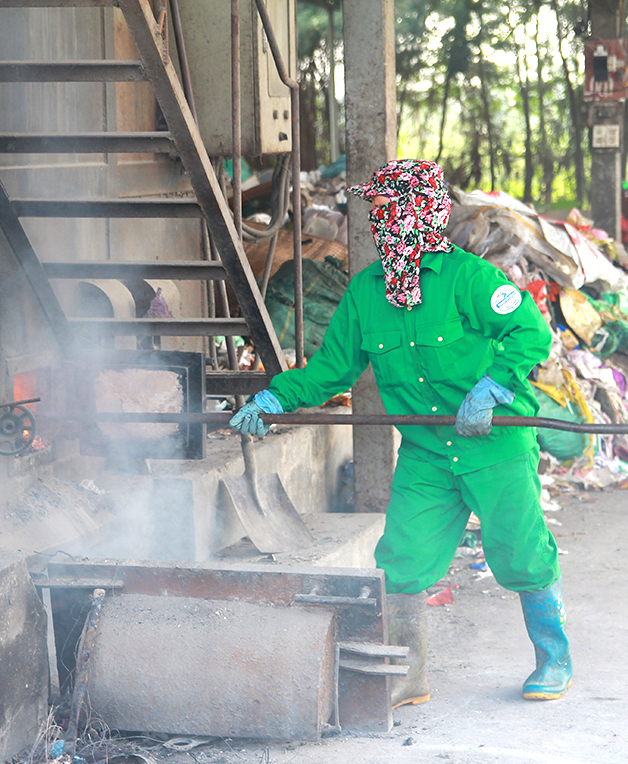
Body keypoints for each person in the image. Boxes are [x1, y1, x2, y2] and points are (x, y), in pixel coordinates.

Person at [229, 159, 571, 704]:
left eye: (387, 208)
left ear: (420, 213)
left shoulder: (468, 277)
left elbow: (527, 331)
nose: (376, 220)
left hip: (495, 444)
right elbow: (330, 371)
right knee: (401, 562)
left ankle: (553, 660)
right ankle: (407, 677)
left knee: (522, 553)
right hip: (427, 453)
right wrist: (275, 399)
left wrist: (492, 387)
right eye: (374, 211)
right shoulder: (366, 292)